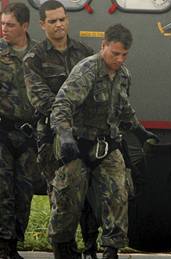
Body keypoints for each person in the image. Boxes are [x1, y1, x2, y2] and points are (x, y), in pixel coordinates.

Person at [49, 23, 156, 259]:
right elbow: (62, 104)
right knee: (68, 200)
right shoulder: (86, 71)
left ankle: (111, 249)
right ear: (103, 46)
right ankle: (63, 247)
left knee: (118, 194)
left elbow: (124, 108)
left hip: (106, 145)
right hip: (77, 144)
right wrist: (65, 136)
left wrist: (139, 131)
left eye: (124, 55)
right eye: (115, 53)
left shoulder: (124, 75)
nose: (119, 59)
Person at [23, 1, 99, 258]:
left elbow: (97, 91)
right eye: (53, 21)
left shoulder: (85, 53)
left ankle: (91, 246)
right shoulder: (34, 59)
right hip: (54, 137)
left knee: (89, 195)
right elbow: (41, 100)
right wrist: (67, 116)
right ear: (42, 24)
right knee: (63, 195)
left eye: (62, 19)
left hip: (86, 135)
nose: (59, 25)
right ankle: (64, 250)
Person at [0, 3, 37, 259]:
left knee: (24, 192)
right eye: (2, 24)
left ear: (24, 26)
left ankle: (15, 244)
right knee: (3, 193)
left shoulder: (39, 56)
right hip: (2, 132)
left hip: (28, 136)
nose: (4, 29)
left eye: (9, 25)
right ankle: (3, 245)